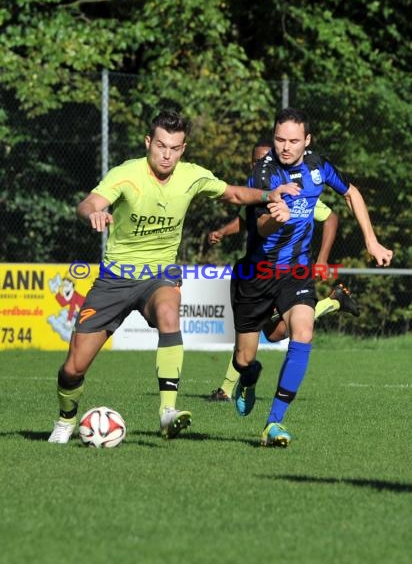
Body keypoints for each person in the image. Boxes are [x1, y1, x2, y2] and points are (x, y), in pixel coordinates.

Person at [47, 110, 291, 444]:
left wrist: (268, 195)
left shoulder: (191, 176)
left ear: (183, 149)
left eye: (175, 148)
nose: (167, 154)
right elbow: (88, 203)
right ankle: (65, 420)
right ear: (149, 142)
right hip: (115, 278)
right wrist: (96, 212)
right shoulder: (127, 174)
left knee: (168, 312)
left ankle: (167, 412)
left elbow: (233, 194)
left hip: (160, 273)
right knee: (73, 368)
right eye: (161, 145)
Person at [230, 107, 393, 447]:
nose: (285, 147)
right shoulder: (263, 173)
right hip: (256, 273)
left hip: (296, 271)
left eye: (292, 140)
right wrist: (277, 216)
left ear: (307, 140)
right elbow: (259, 226)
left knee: (303, 331)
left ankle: (274, 422)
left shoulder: (318, 166)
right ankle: (249, 375)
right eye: (279, 140)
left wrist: (371, 240)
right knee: (246, 358)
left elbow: (351, 193)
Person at [208, 140, 358, 402]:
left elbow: (331, 217)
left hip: (287, 271)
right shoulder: (256, 187)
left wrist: (322, 259)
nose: (260, 165)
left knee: (280, 331)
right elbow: (247, 220)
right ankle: (332, 303)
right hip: (256, 271)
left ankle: (226, 389)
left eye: (265, 159)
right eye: (255, 161)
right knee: (273, 333)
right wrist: (222, 231)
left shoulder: (294, 191)